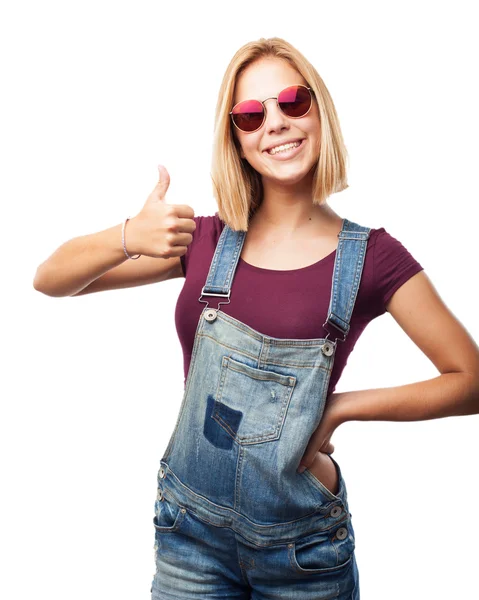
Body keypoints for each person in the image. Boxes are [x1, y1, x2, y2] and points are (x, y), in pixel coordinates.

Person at [33, 37, 479, 599]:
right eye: (250, 114)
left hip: (303, 550)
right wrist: (127, 236)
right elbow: (52, 280)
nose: (275, 124)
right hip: (188, 538)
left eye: (293, 102)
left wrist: (341, 408)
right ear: (237, 141)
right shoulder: (205, 241)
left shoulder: (372, 259)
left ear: (319, 112)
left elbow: (470, 380)